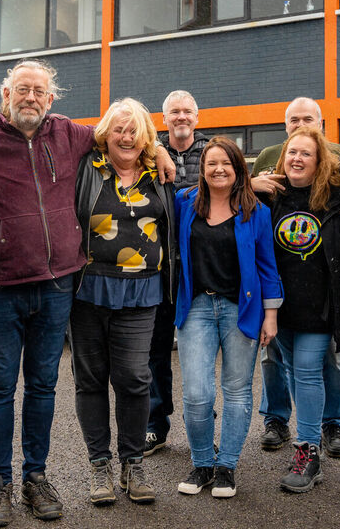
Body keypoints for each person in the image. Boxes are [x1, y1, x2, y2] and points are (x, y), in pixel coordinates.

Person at [0, 59, 176, 526]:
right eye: (22, 89)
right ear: (5, 94)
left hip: (56, 286)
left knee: (44, 386)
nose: (30, 98)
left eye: (39, 91)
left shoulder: (70, 135)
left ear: (52, 98)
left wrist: (162, 152)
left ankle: (35, 476)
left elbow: (123, 136)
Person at [73, 98, 174, 507]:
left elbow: (195, 197)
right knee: (91, 379)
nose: (126, 136)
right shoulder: (86, 167)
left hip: (142, 290)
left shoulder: (159, 174)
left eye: (135, 130)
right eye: (119, 129)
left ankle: (133, 462)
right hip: (88, 289)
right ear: (105, 134)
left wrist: (249, 183)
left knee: (134, 377)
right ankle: (100, 464)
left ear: (147, 136)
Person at [173, 136, 282, 499]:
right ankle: (203, 462)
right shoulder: (184, 203)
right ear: (202, 169)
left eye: (227, 164)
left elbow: (268, 267)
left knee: (236, 392)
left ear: (239, 169)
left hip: (241, 308)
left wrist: (271, 315)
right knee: (197, 394)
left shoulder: (257, 212)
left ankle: (227, 467)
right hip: (197, 309)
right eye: (211, 163)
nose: (219, 169)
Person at [250, 96, 340, 459]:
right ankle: (279, 422)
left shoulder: (339, 195)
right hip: (278, 307)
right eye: (292, 152)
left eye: (306, 154)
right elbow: (214, 193)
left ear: (320, 156)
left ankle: (311, 447)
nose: (297, 158)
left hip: (319, 306)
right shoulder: (268, 195)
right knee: (284, 366)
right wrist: (248, 183)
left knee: (309, 372)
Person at [144, 89, 208, 456]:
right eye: (174, 112)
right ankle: (156, 424)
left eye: (187, 111)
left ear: (196, 118)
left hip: (202, 267)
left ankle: (202, 420)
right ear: (163, 118)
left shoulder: (213, 152)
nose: (181, 117)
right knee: (155, 349)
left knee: (200, 347)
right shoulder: (147, 152)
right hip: (161, 266)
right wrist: (153, 147)